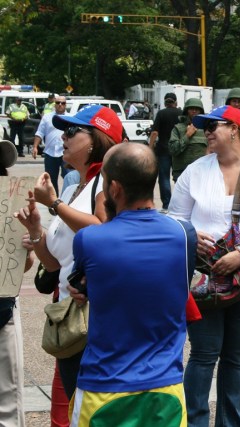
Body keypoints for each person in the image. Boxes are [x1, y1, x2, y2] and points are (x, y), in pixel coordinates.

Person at [67, 143, 195, 426]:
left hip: (104, 386)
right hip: (165, 387)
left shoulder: (89, 240)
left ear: (115, 189)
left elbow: (87, 285)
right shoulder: (183, 233)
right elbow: (179, 289)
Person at [14, 104, 121, 400]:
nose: (63, 136)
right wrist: (36, 230)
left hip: (93, 318)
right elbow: (55, 265)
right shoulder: (80, 187)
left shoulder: (103, 183)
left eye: (72, 131)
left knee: (90, 406)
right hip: (73, 318)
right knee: (78, 406)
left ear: (97, 140)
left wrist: (54, 205)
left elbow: (103, 231)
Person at [169, 105, 240, 427]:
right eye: (204, 126)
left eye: (214, 125)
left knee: (235, 358)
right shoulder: (195, 170)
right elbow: (175, 221)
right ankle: (194, 421)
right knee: (204, 355)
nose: (207, 131)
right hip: (203, 279)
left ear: (236, 129)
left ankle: (230, 422)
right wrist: (191, 236)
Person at [0, 139, 33, 427]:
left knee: (7, 403)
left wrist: (25, 244)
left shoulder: (10, 200)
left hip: (2, 307)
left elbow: (24, 265)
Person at [148, 92, 181, 212]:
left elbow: (155, 133)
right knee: (179, 178)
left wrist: (150, 147)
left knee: (164, 178)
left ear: (165, 102)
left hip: (163, 150)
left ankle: (166, 205)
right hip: (178, 149)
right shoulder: (181, 113)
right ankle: (180, 204)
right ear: (175, 102)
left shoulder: (161, 113)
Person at [32, 95, 69, 196]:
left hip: (66, 153)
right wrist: (35, 146)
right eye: (58, 103)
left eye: (63, 103)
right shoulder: (47, 117)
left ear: (66, 105)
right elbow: (40, 133)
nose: (60, 105)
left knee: (69, 177)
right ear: (54, 104)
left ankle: (67, 201)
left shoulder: (70, 118)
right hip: (50, 153)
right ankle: (54, 202)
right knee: (50, 179)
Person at [168, 97, 207, 182]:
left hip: (201, 174)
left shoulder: (206, 129)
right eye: (191, 109)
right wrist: (187, 135)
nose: (194, 111)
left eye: (197, 109)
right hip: (182, 174)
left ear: (201, 111)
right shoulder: (178, 128)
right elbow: (173, 149)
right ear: (186, 111)